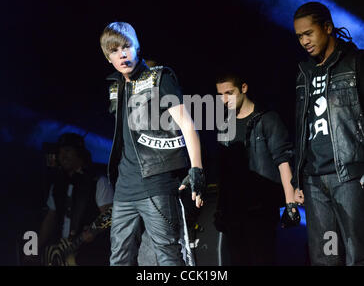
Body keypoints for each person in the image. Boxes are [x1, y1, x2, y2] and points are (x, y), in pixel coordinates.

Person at [100, 22, 205, 266]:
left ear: (136, 47)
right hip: (125, 189)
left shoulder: (160, 78)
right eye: (115, 50)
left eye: (126, 46)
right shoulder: (115, 87)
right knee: (119, 258)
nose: (122, 54)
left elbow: (187, 124)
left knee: (167, 255)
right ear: (108, 57)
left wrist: (196, 168)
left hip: (156, 183)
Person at [292, 1, 364, 266]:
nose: (304, 41)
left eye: (308, 33)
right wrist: (298, 177)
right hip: (313, 178)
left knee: (358, 253)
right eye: (299, 36)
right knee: (324, 258)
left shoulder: (355, 62)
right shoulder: (303, 73)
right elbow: (300, 126)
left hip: (348, 174)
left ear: (328, 27)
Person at [214, 72, 299, 265]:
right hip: (234, 210)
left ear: (243, 88)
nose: (224, 100)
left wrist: (290, 203)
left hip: (261, 206)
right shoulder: (225, 125)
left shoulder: (267, 119)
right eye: (220, 95)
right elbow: (225, 172)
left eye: (229, 92)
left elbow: (283, 161)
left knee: (262, 258)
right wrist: (221, 208)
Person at [37, 133, 114, 266]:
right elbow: (50, 219)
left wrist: (94, 231)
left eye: (67, 151)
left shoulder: (98, 182)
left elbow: (110, 214)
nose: (63, 156)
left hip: (91, 255)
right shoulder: (57, 186)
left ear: (80, 153)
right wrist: (34, 249)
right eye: (60, 152)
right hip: (62, 253)